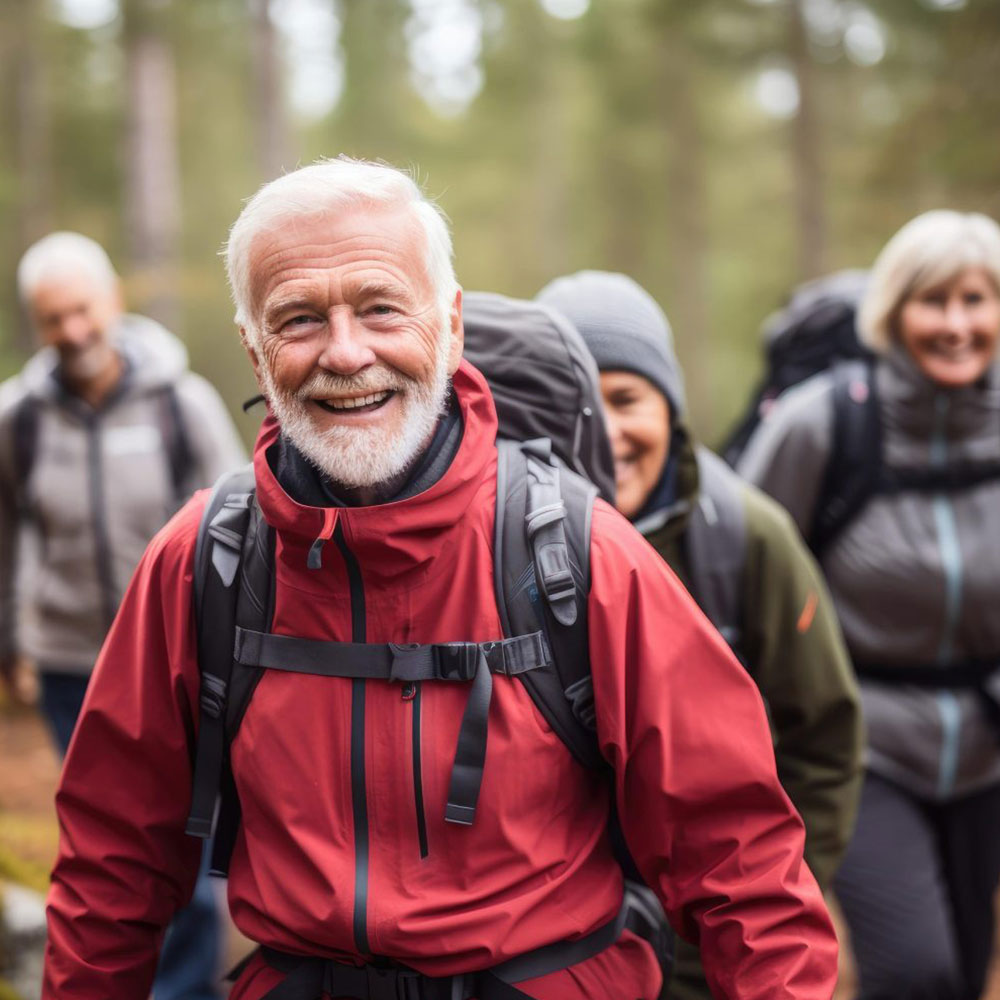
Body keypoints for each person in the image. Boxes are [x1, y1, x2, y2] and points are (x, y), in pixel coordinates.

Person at [42, 158, 838, 1000]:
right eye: (299, 319)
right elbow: (110, 864)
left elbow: (740, 860)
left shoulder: (583, 556)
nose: (346, 353)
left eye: (381, 307)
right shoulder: (202, 560)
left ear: (449, 324)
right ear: (253, 348)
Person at [537, 270, 864, 1000]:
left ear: (672, 410)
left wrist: (759, 919)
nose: (605, 429)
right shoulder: (492, 553)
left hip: (707, 948)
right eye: (578, 402)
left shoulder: (747, 539)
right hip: (543, 956)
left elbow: (822, 738)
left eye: (626, 400)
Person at [737, 210, 1000, 1000]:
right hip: (864, 741)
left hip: (988, 744)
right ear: (893, 312)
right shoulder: (827, 424)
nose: (956, 325)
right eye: (933, 303)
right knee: (913, 969)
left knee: (962, 963)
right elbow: (742, 562)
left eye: (976, 301)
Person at [0, 231, 247, 1000]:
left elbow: (240, 522)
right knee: (107, 839)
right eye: (51, 319)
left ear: (111, 302)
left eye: (81, 310)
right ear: (34, 326)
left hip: (180, 659)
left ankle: (187, 988)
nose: (71, 331)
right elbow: (6, 536)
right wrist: (9, 638)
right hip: (72, 658)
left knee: (190, 829)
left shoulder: (183, 402)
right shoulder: (19, 419)